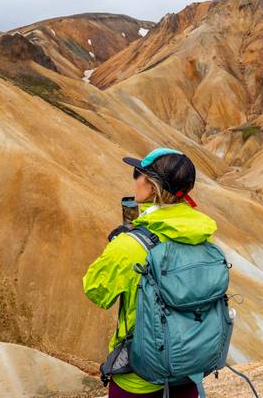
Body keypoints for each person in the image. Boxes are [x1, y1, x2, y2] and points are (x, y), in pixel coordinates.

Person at [82, 147, 216, 398]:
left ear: (152, 187)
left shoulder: (130, 246)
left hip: (139, 378)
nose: (134, 180)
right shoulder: (202, 237)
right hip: (187, 372)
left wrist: (117, 246)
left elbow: (96, 290)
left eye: (138, 173)